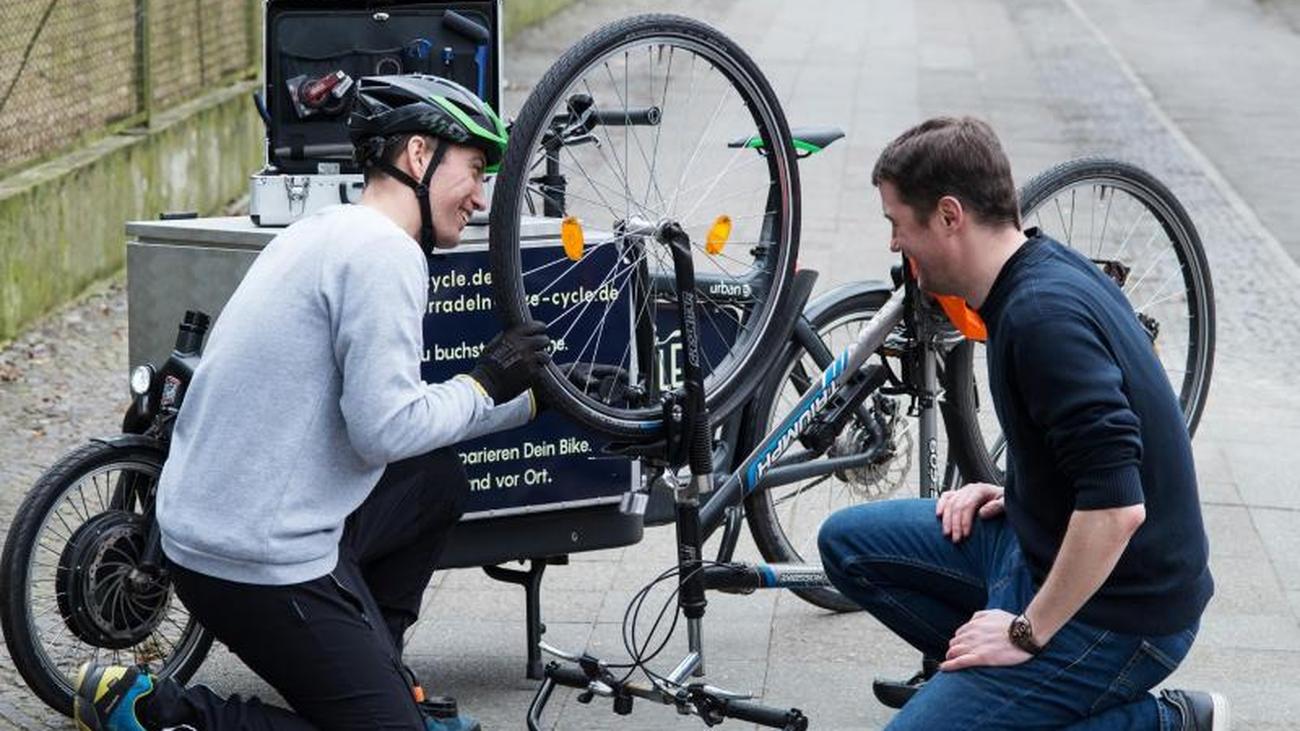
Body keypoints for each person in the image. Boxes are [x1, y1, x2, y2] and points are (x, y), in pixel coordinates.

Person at [72, 75, 550, 731]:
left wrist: (527, 401)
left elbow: (390, 428)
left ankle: (379, 678)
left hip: (213, 518)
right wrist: (488, 381)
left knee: (434, 481)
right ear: (418, 155)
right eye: (473, 170)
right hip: (251, 554)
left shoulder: (326, 230)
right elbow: (383, 428)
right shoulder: (385, 254)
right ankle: (160, 713)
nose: (479, 197)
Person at [817, 117, 1227, 730]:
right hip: (1037, 543)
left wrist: (1025, 632)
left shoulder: (1042, 319)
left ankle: (1161, 722)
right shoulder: (1034, 269)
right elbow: (1085, 448)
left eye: (897, 224)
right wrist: (1016, 489)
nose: (894, 245)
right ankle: (998, 695)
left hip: (1121, 611)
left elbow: (1119, 508)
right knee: (846, 543)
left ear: (950, 215)